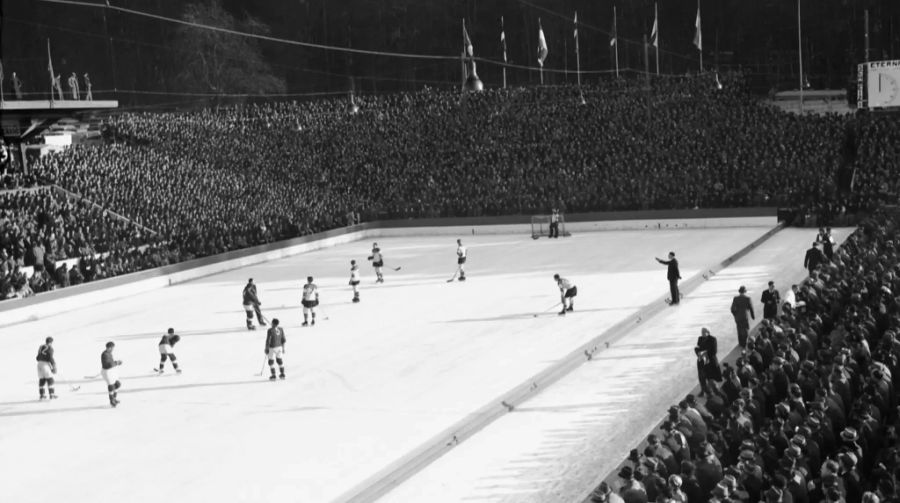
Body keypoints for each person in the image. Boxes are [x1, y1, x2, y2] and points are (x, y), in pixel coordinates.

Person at [695, 328, 722, 397]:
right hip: (701, 361)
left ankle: (714, 390)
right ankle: (703, 390)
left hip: (710, 362)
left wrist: (704, 352)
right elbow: (697, 348)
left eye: (704, 332)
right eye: (702, 332)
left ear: (708, 332)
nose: (702, 333)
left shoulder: (713, 339)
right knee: (702, 377)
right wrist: (698, 352)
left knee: (711, 377)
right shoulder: (700, 339)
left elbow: (714, 351)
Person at [101, 341, 122, 407]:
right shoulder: (104, 355)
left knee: (117, 384)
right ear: (109, 348)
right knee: (111, 386)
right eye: (112, 348)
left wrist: (116, 363)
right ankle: (112, 401)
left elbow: (111, 362)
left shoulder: (109, 353)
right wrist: (116, 363)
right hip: (106, 372)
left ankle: (114, 398)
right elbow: (108, 365)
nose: (113, 349)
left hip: (111, 371)